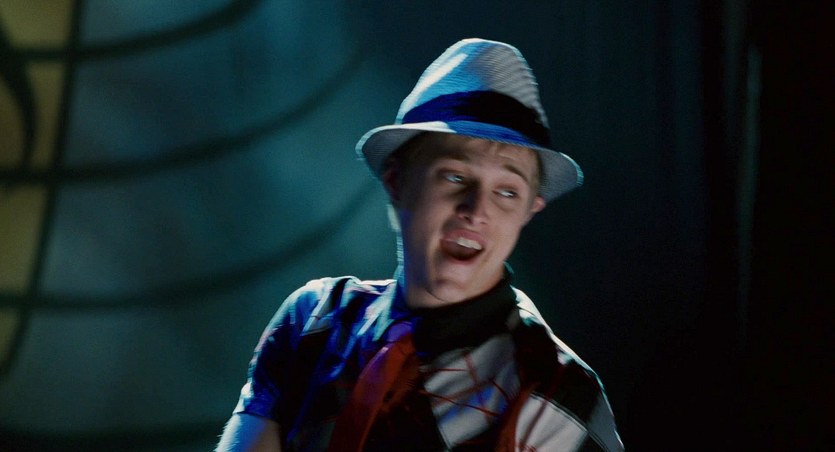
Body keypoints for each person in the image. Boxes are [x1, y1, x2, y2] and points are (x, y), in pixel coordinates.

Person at [216, 38, 623, 451]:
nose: (476, 210)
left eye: (507, 192)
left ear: (529, 211)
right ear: (396, 182)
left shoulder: (555, 393)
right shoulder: (314, 322)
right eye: (455, 176)